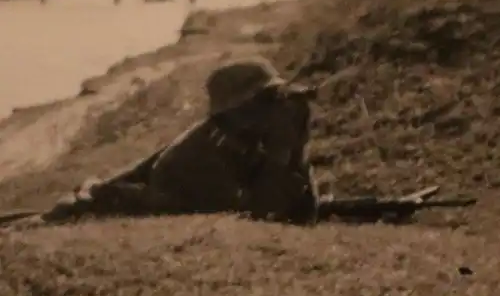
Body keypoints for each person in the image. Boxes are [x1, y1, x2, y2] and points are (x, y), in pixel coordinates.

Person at [7, 56, 321, 228]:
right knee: (83, 208)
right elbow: (268, 216)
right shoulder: (206, 156)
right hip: (165, 193)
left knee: (96, 196)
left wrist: (298, 147)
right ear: (239, 112)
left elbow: (301, 209)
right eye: (268, 99)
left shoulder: (245, 134)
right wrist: (285, 152)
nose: (279, 106)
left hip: (155, 181)